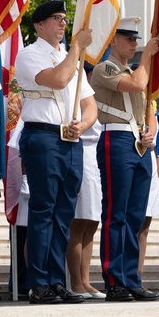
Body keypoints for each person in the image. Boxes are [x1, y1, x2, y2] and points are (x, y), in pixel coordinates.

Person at [16, 0, 97, 304]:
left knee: (63, 215)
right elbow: (58, 78)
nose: (63, 23)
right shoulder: (30, 54)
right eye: (56, 18)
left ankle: (55, 279)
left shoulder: (70, 57)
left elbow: (90, 107)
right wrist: (76, 49)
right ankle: (38, 282)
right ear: (39, 25)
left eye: (65, 18)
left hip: (71, 140)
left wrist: (83, 125)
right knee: (43, 211)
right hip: (44, 138)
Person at [89, 19, 159, 302]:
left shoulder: (136, 69)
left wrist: (151, 133)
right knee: (116, 214)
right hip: (116, 140)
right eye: (128, 38)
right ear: (113, 40)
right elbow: (136, 85)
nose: (133, 43)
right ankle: (114, 280)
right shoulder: (104, 68)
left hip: (139, 144)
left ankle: (131, 278)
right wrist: (146, 57)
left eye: (135, 39)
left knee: (135, 216)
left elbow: (150, 108)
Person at [67, 62, 102, 300]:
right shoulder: (77, 96)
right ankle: (75, 281)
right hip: (82, 153)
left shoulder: (96, 100)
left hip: (98, 158)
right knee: (79, 223)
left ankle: (86, 280)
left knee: (92, 223)